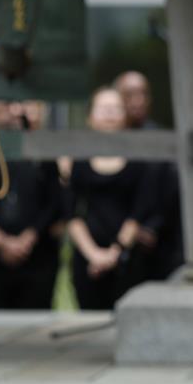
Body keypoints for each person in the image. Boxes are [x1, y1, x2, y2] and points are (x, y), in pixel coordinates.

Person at [66, 87, 158, 309]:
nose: (109, 114)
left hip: (127, 259)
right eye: (103, 108)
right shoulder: (78, 162)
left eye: (115, 108)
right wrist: (94, 255)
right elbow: (71, 212)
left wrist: (115, 253)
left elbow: (139, 211)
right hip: (87, 259)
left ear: (125, 116)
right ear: (90, 117)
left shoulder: (138, 161)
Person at [0, 99, 62, 309]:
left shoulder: (40, 149)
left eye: (14, 103)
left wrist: (29, 237)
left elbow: (55, 200)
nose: (10, 110)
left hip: (37, 254)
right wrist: (0, 240)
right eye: (3, 102)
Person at [114, 71, 183, 280]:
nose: (138, 101)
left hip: (158, 245)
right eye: (130, 95)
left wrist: (150, 228)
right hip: (112, 242)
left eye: (143, 94)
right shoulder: (108, 141)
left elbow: (171, 193)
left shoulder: (161, 141)